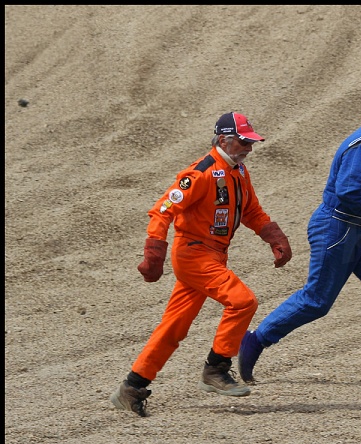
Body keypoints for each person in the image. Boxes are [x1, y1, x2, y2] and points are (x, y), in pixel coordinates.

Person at [239, 89, 361, 385]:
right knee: (317, 300)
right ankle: (254, 341)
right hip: (337, 227)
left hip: (357, 228)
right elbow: (348, 192)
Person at [110, 112, 293, 417]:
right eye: (244, 142)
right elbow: (162, 210)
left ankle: (131, 387)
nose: (249, 148)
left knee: (173, 327)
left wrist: (274, 236)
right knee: (243, 301)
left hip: (210, 255)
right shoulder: (200, 173)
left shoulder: (239, 171)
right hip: (194, 255)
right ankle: (216, 369)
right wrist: (153, 253)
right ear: (223, 140)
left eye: (251, 142)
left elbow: (251, 211)